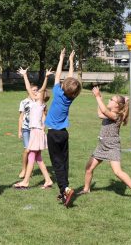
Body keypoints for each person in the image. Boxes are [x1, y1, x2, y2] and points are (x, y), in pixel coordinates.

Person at [78, 87, 131, 202]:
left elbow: (105, 111)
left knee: (117, 172)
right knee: (88, 168)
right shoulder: (111, 113)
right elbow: (100, 113)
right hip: (101, 145)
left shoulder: (116, 116)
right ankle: (86, 188)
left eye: (111, 100)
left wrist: (98, 97)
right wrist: (99, 99)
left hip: (112, 146)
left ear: (117, 105)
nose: (109, 100)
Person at [45, 48, 81, 207]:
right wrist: (71, 61)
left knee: (57, 163)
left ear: (63, 86)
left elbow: (58, 75)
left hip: (53, 134)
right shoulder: (70, 97)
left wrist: (61, 58)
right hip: (64, 134)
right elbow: (70, 78)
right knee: (64, 162)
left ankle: (65, 189)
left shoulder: (58, 92)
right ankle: (63, 191)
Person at [13, 68, 53, 189]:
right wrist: (25, 75)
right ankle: (48, 180)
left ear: (41, 96)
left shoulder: (40, 103)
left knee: (31, 155)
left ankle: (25, 181)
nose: (35, 92)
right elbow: (28, 88)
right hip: (35, 131)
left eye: (38, 92)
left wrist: (46, 77)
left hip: (36, 132)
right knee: (38, 158)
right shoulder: (35, 102)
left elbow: (40, 89)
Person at [18, 84, 38, 178]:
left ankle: (30, 170)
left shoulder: (37, 101)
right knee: (27, 150)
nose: (35, 92)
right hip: (25, 128)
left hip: (34, 129)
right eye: (33, 90)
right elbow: (21, 117)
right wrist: (19, 131)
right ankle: (24, 169)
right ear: (29, 91)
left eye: (36, 90)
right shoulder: (23, 102)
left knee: (33, 150)